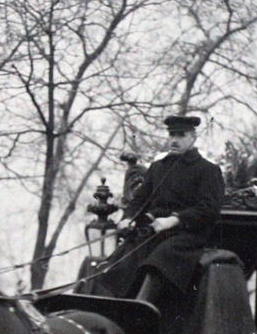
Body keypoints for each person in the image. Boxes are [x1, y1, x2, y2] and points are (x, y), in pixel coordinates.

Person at [94, 114, 225, 313]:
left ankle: (139, 314)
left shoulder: (207, 170)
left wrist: (175, 220)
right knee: (121, 260)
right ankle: (108, 312)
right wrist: (128, 218)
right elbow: (140, 199)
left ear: (193, 137)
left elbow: (209, 209)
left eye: (181, 135)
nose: (174, 139)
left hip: (187, 236)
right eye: (171, 134)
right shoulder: (158, 168)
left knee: (159, 261)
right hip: (154, 232)